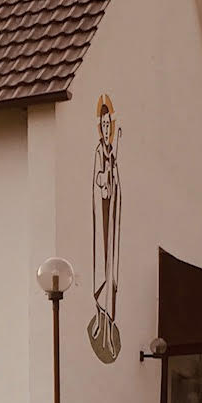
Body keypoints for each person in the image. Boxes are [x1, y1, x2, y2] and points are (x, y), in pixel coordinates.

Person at [88, 95, 122, 363]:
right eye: (104, 123)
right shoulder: (100, 152)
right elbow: (98, 180)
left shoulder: (112, 154)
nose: (107, 127)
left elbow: (117, 187)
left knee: (111, 275)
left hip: (112, 222)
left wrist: (113, 182)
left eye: (109, 122)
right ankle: (101, 324)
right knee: (102, 271)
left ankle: (108, 328)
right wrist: (104, 182)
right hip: (103, 221)